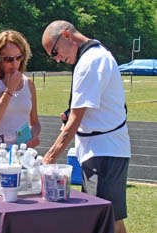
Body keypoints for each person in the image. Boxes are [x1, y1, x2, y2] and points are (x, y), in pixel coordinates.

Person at [42, 20, 131, 233]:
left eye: (55, 52)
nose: (57, 60)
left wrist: (48, 159)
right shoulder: (95, 55)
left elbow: (75, 120)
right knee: (111, 220)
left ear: (66, 35)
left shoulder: (90, 62)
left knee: (103, 222)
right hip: (103, 151)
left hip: (103, 153)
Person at [0, 30, 41, 148]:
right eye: (9, 59)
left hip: (22, 152)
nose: (15, 63)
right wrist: (9, 90)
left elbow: (35, 123)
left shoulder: (29, 84)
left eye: (19, 57)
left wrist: (33, 136)